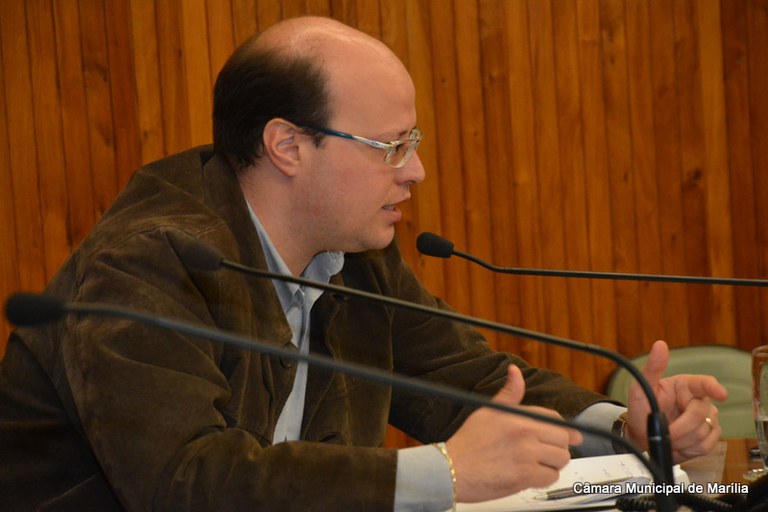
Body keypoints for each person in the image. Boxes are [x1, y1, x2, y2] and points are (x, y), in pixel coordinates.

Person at [0, 16, 727, 512]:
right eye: (390, 147)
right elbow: (185, 481)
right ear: (288, 146)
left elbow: (468, 381)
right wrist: (445, 473)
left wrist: (628, 431)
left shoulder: (353, 251)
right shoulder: (147, 262)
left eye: (414, 143)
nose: (414, 172)